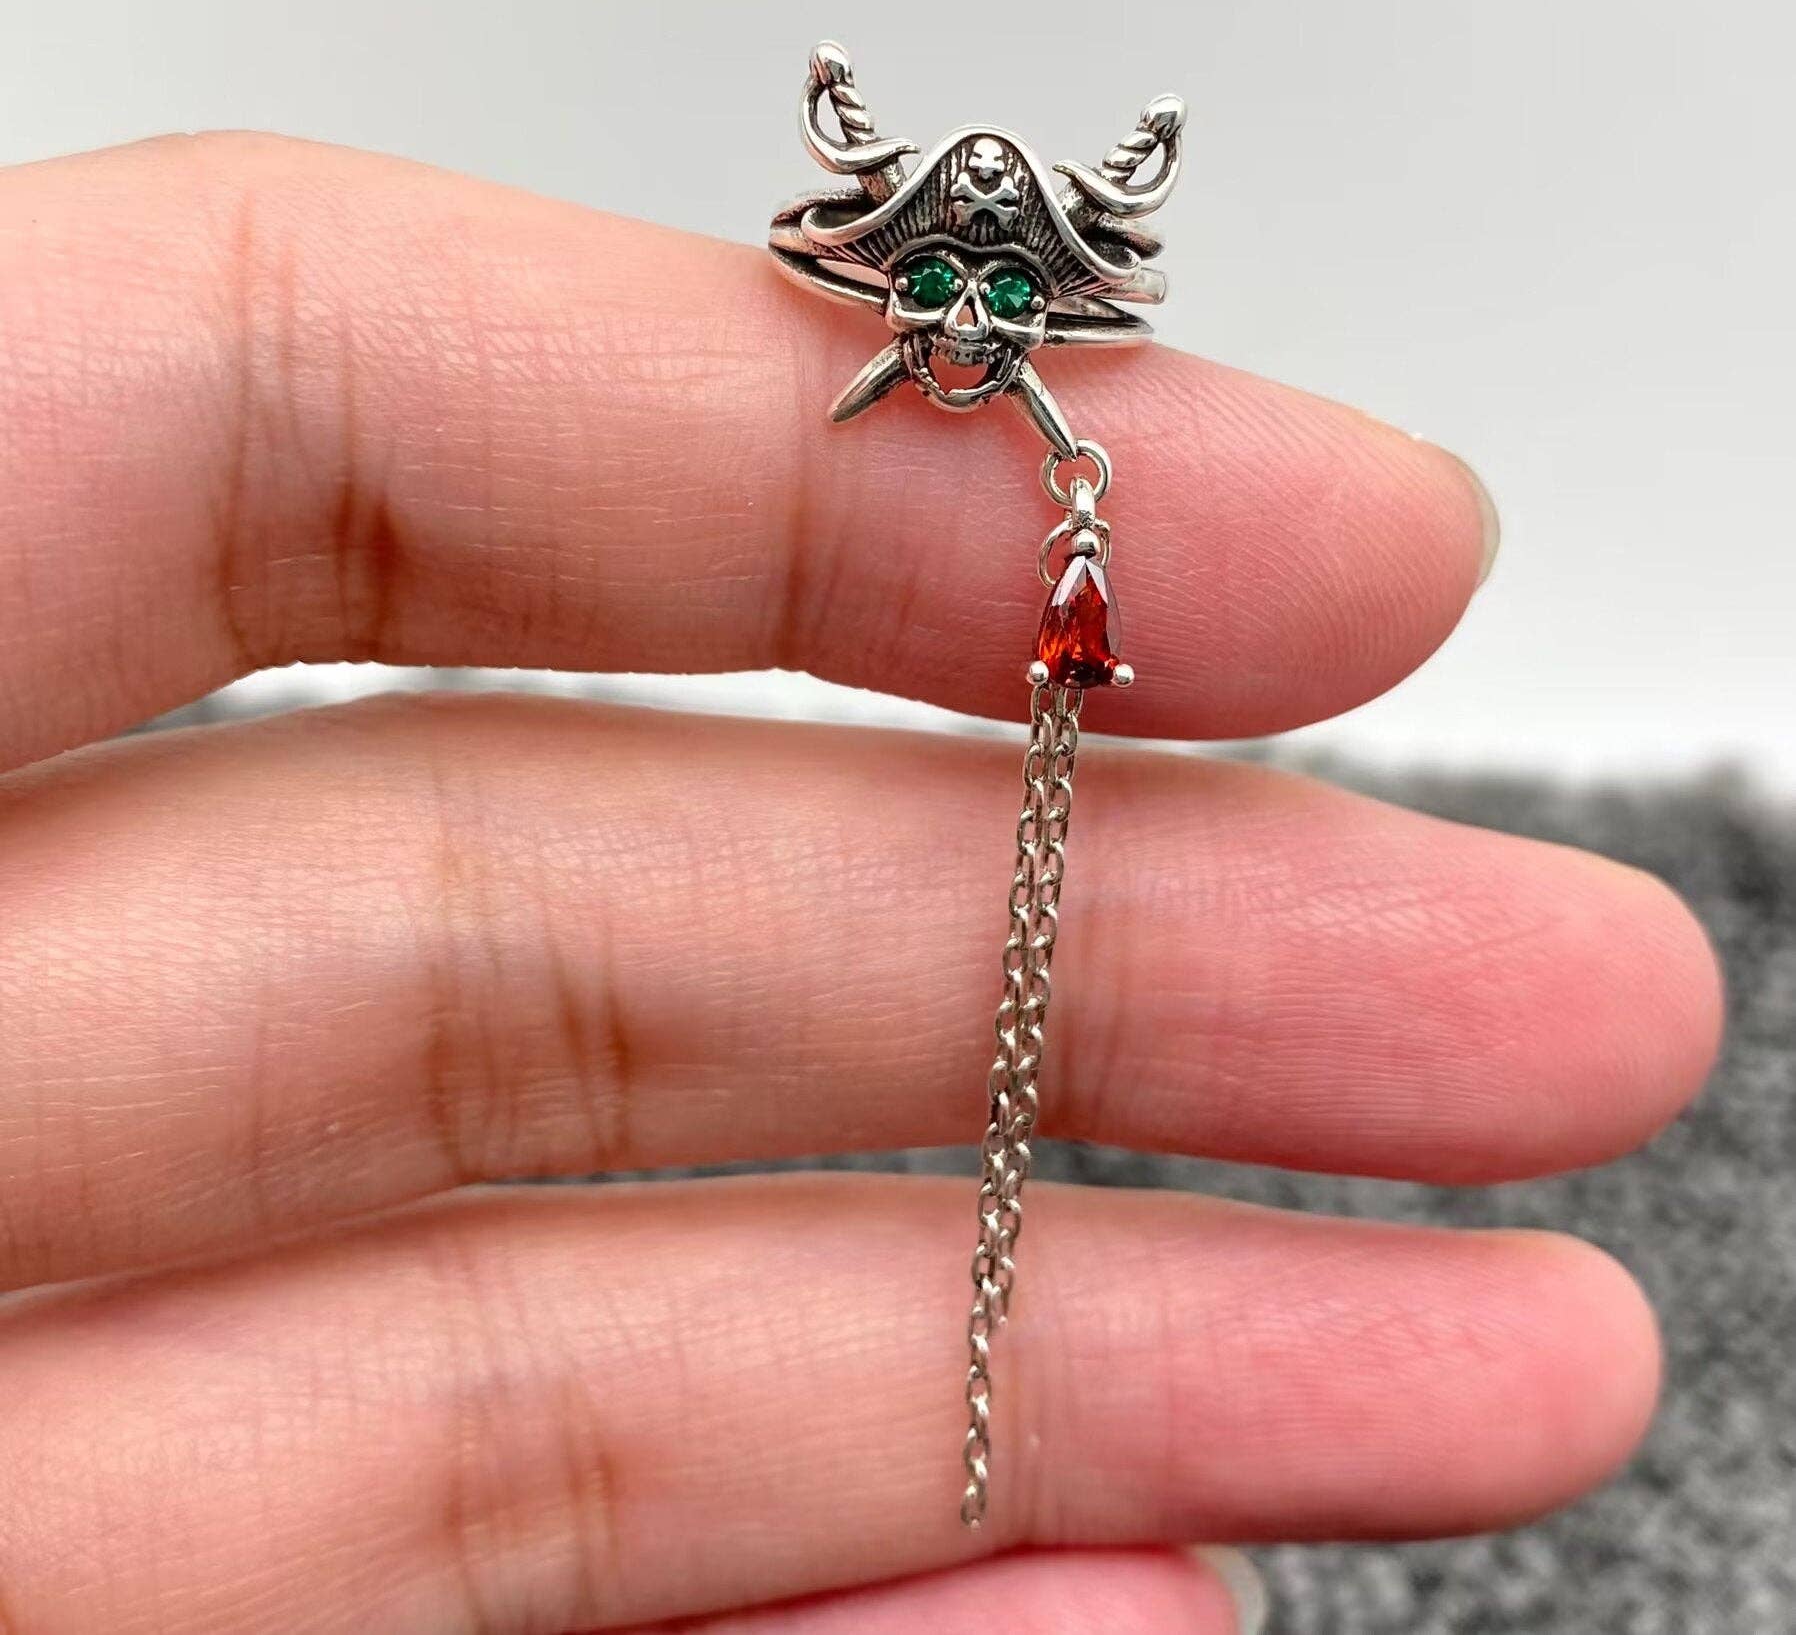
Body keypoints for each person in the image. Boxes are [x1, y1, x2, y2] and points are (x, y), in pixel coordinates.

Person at [0, 133, 1722, 1634]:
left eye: (1006, 294)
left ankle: (981, 1431)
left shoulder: (1062, 469)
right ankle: (981, 1427)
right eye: (941, 285)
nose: (967, 327)